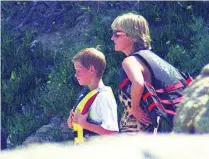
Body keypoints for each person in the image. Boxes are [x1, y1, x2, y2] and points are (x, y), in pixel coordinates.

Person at [111, 13, 192, 133]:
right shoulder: (153, 58)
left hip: (142, 131)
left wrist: (135, 108)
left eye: (116, 34)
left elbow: (138, 83)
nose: (112, 38)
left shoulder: (130, 61)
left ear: (131, 36)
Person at [67, 48, 119, 143]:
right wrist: (71, 122)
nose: (75, 75)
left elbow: (112, 133)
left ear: (91, 70)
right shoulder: (86, 94)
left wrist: (83, 124)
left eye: (78, 70)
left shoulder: (104, 97)